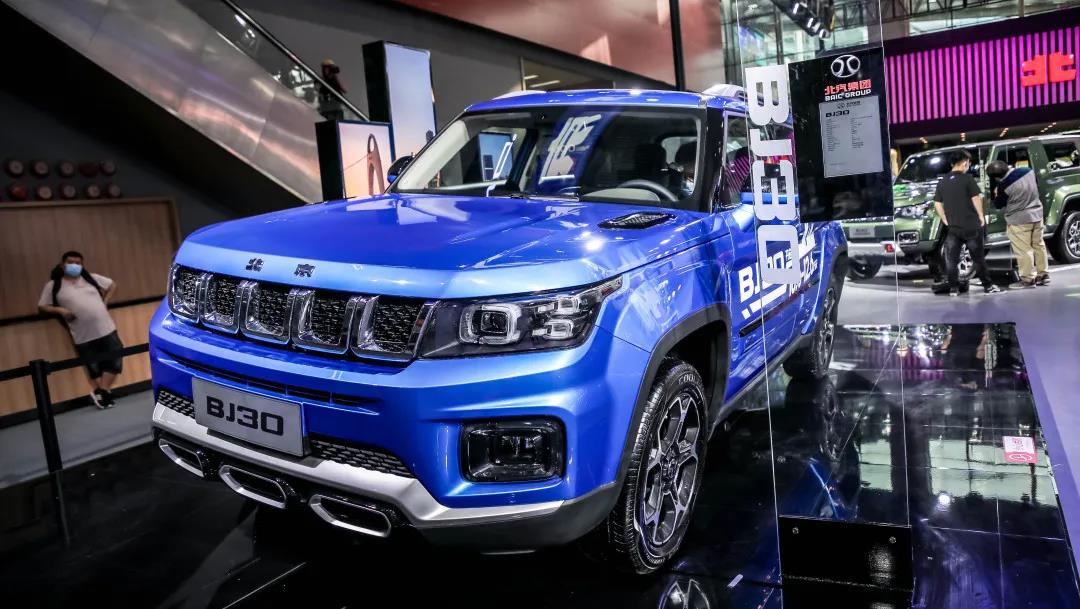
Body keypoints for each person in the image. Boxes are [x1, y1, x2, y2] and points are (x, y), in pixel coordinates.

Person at [37, 251, 122, 409]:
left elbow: (112, 285)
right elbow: (43, 306)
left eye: (78, 263)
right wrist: (61, 310)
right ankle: (104, 394)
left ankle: (102, 391)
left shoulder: (91, 278)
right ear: (62, 265)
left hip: (106, 328)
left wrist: (105, 301)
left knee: (114, 360)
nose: (74, 265)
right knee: (93, 366)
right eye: (71, 262)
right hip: (82, 334)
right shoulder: (54, 285)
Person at [932, 149, 1001, 295]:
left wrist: (944, 218)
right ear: (964, 163)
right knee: (978, 258)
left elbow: (937, 203)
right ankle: (988, 286)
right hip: (971, 226)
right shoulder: (968, 179)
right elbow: (976, 198)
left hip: (953, 227)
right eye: (968, 163)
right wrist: (981, 216)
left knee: (951, 260)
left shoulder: (942, 181)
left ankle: (954, 289)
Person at [986, 159, 1049, 288]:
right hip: (1037, 215)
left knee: (1024, 250)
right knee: (1039, 245)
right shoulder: (1028, 171)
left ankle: (1028, 279)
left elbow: (998, 204)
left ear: (996, 177)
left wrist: (996, 194)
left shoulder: (1004, 186)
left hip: (1019, 220)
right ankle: (1043, 275)